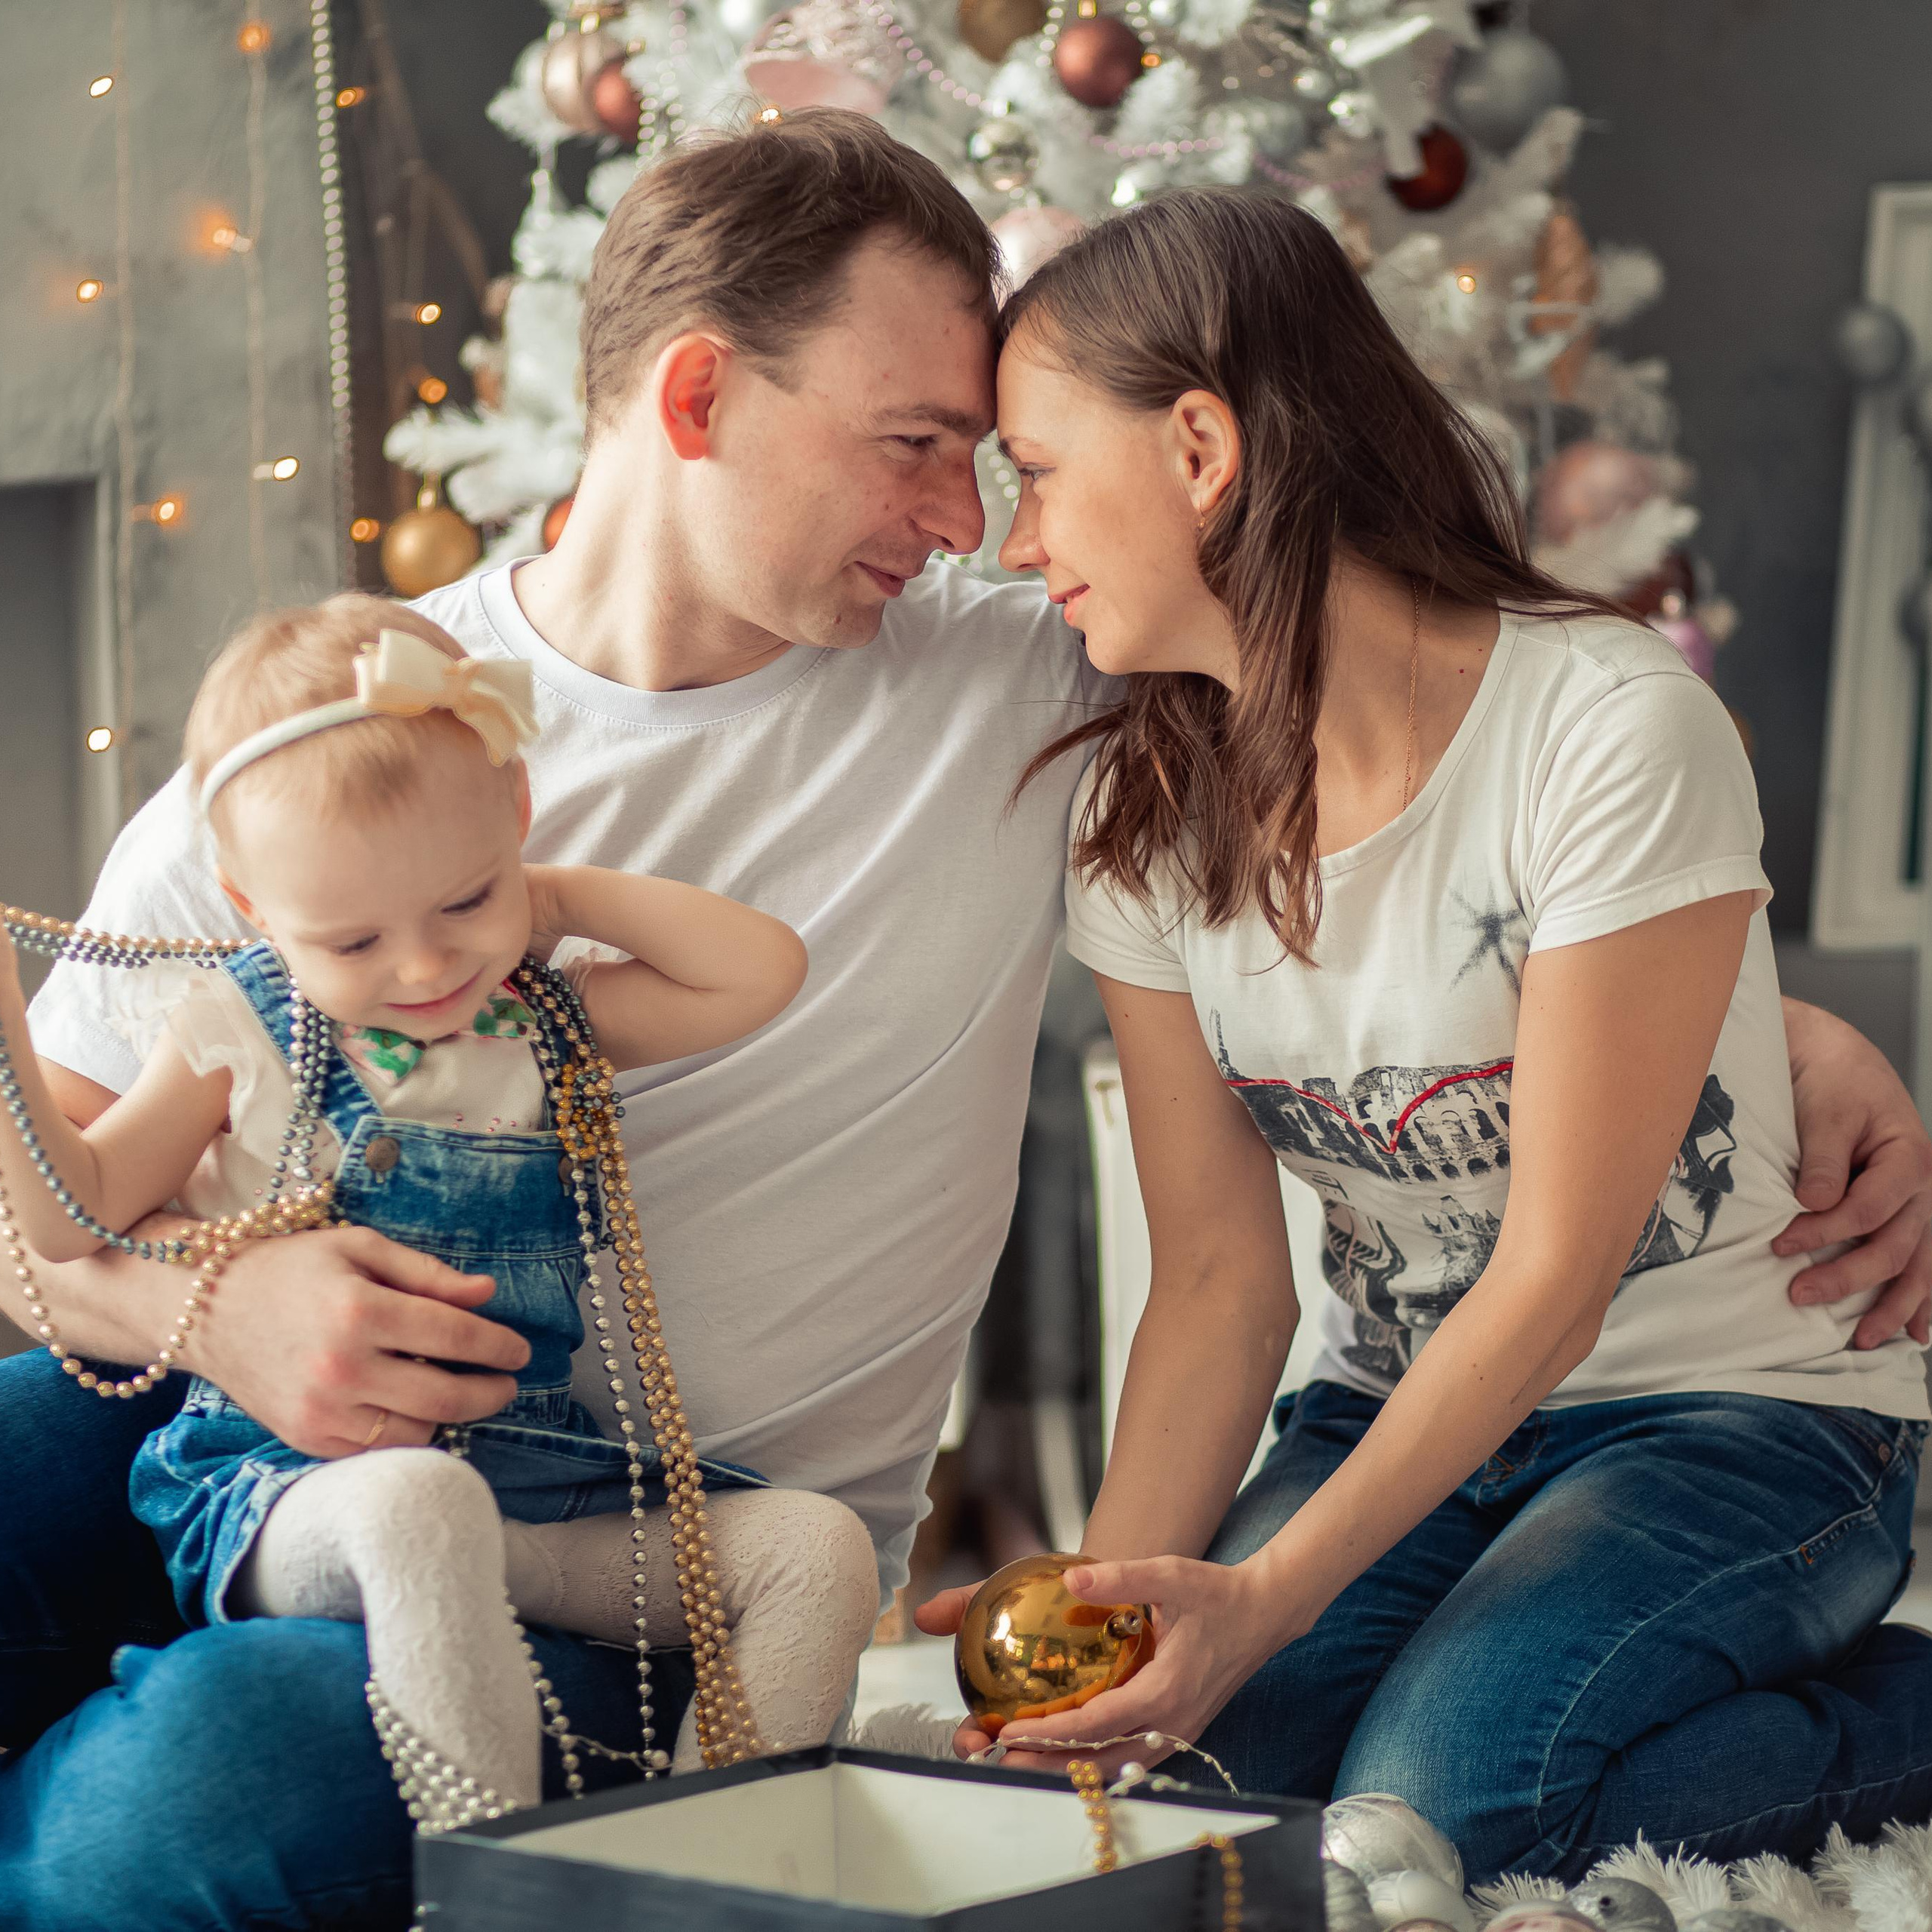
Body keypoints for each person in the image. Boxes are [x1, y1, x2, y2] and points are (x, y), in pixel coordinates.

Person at [0, 113, 1924, 1929]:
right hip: (241, 1430)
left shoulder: (1054, 687)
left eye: (996, 463)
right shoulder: (356, 736)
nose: (969, 519)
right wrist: (201, 1299)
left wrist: (1786, 1048)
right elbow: (42, 1212)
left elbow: (1433, 774)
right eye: (916, 443)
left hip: (646, 1535)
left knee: (171, 1822)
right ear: (696, 399)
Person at [915, 188, 1932, 1884]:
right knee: (1194, 1806)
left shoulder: (1605, 725)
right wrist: (1120, 1637)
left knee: (1435, 1806)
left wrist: (1261, 1599)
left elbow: (1550, 1277)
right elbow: (1221, 1285)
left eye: (1031, 467)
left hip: (1728, 1416)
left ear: (1195, 447)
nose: (1013, 542)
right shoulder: (1146, 813)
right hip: (1385, 1409)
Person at [0, 595, 879, 1818]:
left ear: (514, 822)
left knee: (816, 1551)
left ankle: (715, 1864)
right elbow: (65, 1216)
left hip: (533, 1489)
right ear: (254, 911)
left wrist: (543, 898)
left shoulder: (541, 1022)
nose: (423, 970)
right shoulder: (234, 1034)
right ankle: (492, 1877)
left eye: (461, 903)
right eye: (353, 938)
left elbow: (758, 971)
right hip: (291, 1497)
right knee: (423, 1505)